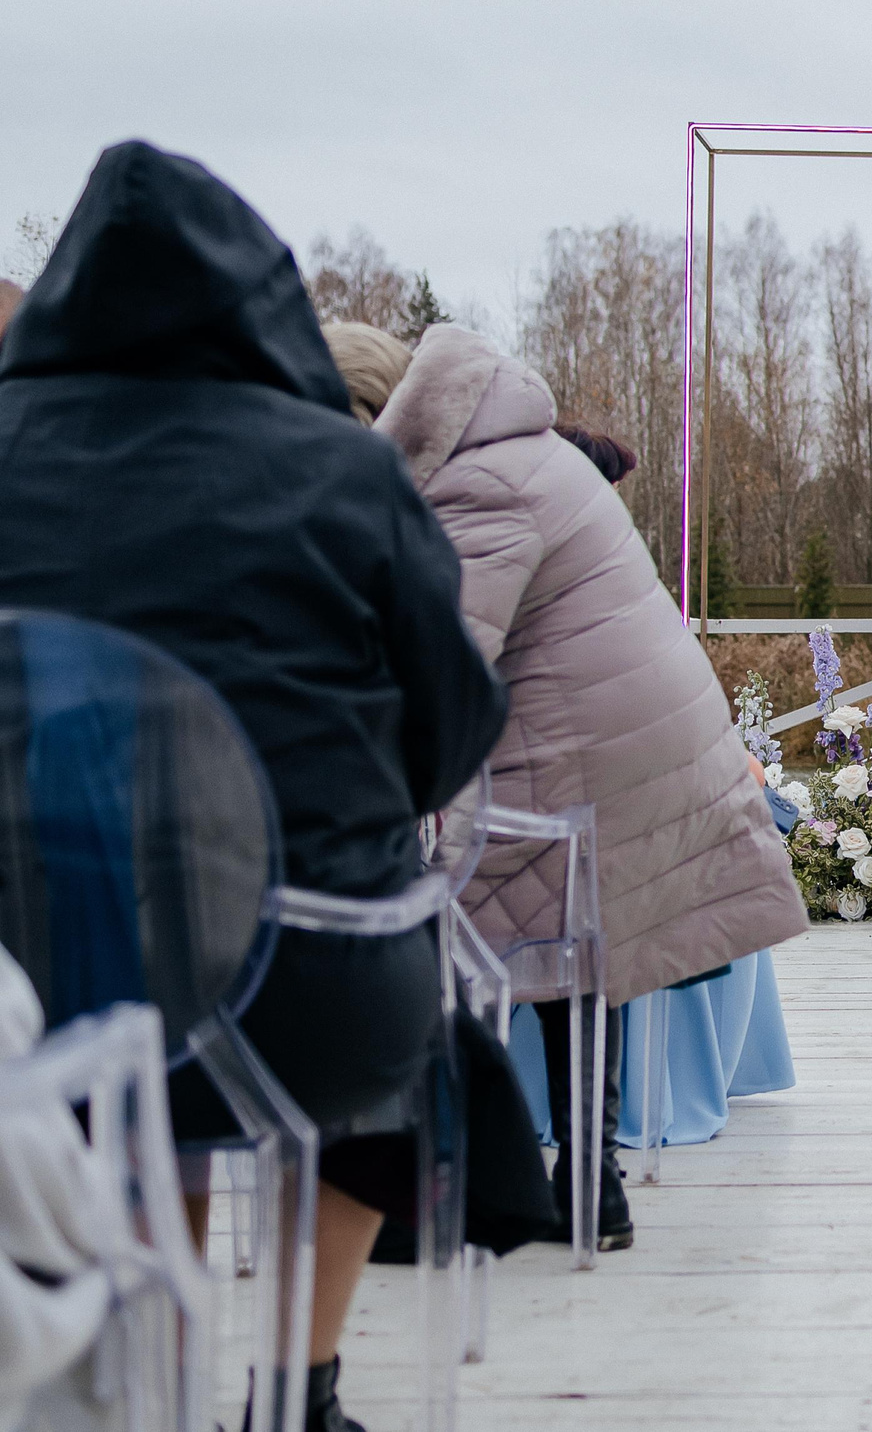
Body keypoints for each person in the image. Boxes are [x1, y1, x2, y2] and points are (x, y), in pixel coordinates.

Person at [0, 141, 517, 1432]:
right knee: (385, 1045)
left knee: (130, 1016)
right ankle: (298, 1392)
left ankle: (144, 1372)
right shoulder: (341, 468)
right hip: (317, 979)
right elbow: (451, 726)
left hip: (39, 992)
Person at [336, 320, 809, 1251]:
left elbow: (443, 662)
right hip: (622, 736)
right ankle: (589, 1184)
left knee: (435, 937)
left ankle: (443, 1191)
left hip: (584, 743)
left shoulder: (471, 484)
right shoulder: (512, 449)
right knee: (565, 944)